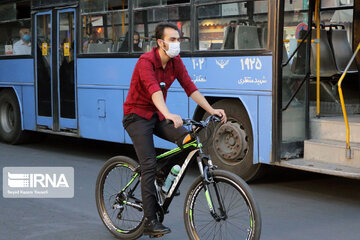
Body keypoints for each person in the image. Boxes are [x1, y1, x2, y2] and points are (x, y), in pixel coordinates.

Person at [122, 22, 227, 236]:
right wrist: (169, 113)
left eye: (178, 39)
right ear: (160, 43)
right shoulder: (146, 62)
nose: (177, 44)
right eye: (172, 40)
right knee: (148, 163)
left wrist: (211, 109)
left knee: (189, 141)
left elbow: (190, 87)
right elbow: (154, 91)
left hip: (157, 115)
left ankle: (163, 174)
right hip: (136, 117)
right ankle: (150, 221)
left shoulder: (175, 61)